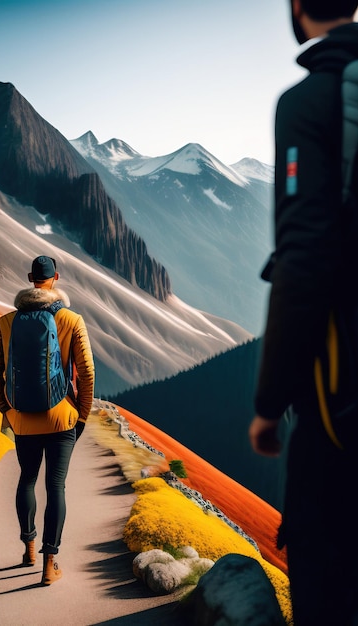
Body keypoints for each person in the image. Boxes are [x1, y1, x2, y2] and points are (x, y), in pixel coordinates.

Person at [249, 2, 358, 624]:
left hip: (341, 409)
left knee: (325, 579)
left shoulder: (310, 102)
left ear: (297, 7)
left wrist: (270, 406)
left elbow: (305, 261)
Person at [0, 255, 95, 585]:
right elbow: (87, 374)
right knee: (56, 485)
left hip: (23, 419)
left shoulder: (7, 322)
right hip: (62, 419)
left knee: (28, 480)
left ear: (30, 278)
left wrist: (6, 410)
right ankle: (50, 565)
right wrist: (82, 417)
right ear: (55, 278)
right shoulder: (71, 320)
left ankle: (29, 548)